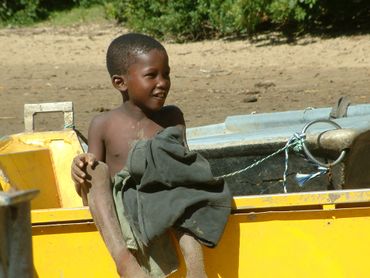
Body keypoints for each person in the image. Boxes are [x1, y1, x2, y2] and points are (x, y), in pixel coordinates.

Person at [71, 33, 230, 278]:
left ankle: (197, 271)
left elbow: (186, 169)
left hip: (167, 198)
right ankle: (124, 260)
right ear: (120, 82)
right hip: (123, 205)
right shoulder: (104, 123)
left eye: (166, 74)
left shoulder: (172, 117)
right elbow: (89, 179)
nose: (163, 82)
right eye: (151, 75)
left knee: (184, 191)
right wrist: (80, 165)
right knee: (94, 170)